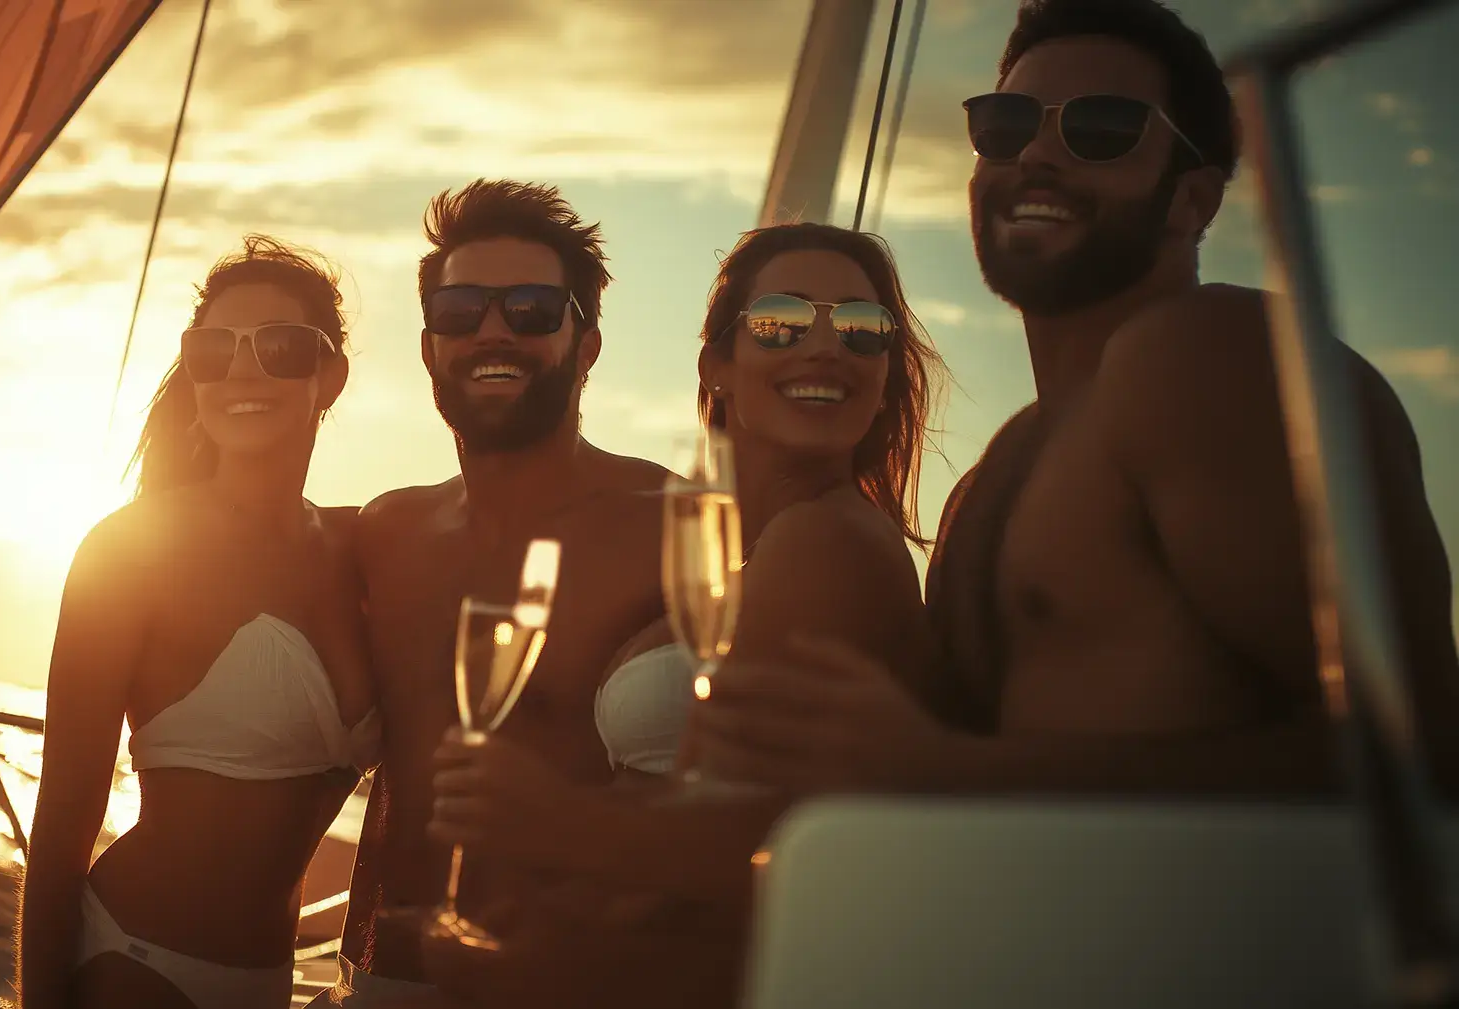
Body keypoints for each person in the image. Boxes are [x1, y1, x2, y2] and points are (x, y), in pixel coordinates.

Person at [697, 0, 1459, 795]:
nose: (1036, 155)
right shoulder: (989, 478)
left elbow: (1420, 746)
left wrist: (949, 771)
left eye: (1101, 130)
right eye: (1005, 124)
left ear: (1192, 201)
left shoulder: (1206, 356)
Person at [424, 222, 949, 1007]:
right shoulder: (754, 548)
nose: (825, 347)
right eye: (783, 321)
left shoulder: (828, 540)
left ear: (883, 376)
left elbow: (761, 845)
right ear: (719, 365)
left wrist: (550, 823)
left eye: (862, 329)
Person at [310, 179, 671, 1006]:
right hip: (376, 978)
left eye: (535, 310)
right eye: (462, 309)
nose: (494, 331)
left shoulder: (671, 528)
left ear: (587, 345)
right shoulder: (386, 532)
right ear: (431, 346)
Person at [18, 236, 377, 1009]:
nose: (243, 369)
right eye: (213, 349)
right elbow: (61, 829)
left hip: (271, 984)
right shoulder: (130, 550)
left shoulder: (367, 547)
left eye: (280, 346)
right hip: (135, 964)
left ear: (331, 377)